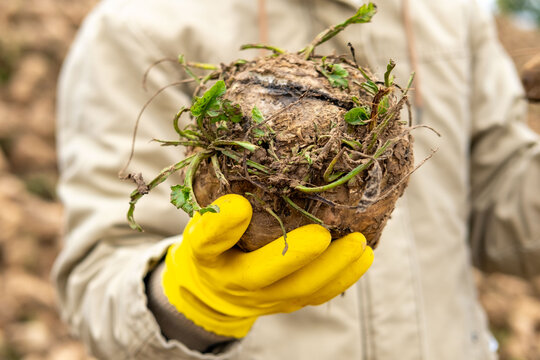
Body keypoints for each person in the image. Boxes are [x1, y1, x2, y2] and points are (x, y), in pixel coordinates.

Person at [52, 0, 540, 359]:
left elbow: (504, 216)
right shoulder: (139, 25)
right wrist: (190, 302)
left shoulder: (454, 15)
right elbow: (98, 275)